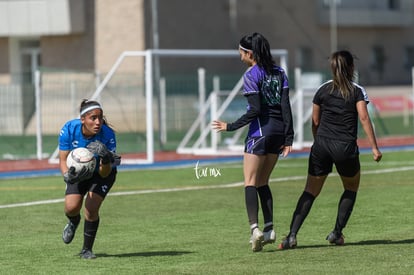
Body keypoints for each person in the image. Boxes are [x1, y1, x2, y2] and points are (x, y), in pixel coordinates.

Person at [278, 50, 382, 249]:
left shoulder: (322, 90)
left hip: (321, 146)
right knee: (351, 188)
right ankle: (336, 233)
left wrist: (319, 144)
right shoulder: (357, 91)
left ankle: (291, 236)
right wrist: (374, 148)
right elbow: (363, 117)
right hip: (345, 147)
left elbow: (315, 121)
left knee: (310, 191)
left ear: (332, 68)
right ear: (351, 68)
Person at [212, 32, 294, 252]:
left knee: (250, 181)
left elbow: (256, 110)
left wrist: (230, 126)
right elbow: (286, 107)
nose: (240, 57)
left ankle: (254, 229)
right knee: (263, 182)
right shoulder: (280, 72)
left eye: (241, 53)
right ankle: (269, 230)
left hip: (260, 132)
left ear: (249, 53)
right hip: (278, 134)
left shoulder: (251, 74)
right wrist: (289, 137)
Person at [59, 99, 120, 259]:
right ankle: (73, 221)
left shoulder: (107, 134)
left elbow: (105, 173)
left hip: (102, 174)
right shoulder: (69, 129)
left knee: (91, 208)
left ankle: (87, 250)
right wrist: (67, 175)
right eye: (93, 118)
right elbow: (63, 159)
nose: (98, 122)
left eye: (100, 117)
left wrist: (106, 157)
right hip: (79, 172)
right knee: (71, 208)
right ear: (83, 119)